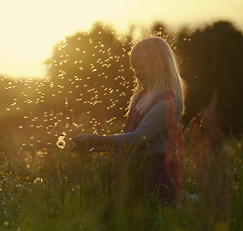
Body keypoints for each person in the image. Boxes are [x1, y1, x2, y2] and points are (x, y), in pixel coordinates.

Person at [72, 36, 186, 205]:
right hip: (138, 173)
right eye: (134, 68)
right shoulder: (142, 97)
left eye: (140, 66)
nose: (136, 72)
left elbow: (138, 139)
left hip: (158, 177)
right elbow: (130, 142)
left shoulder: (167, 103)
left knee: (156, 221)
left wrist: (96, 139)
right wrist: (95, 146)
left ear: (158, 65)